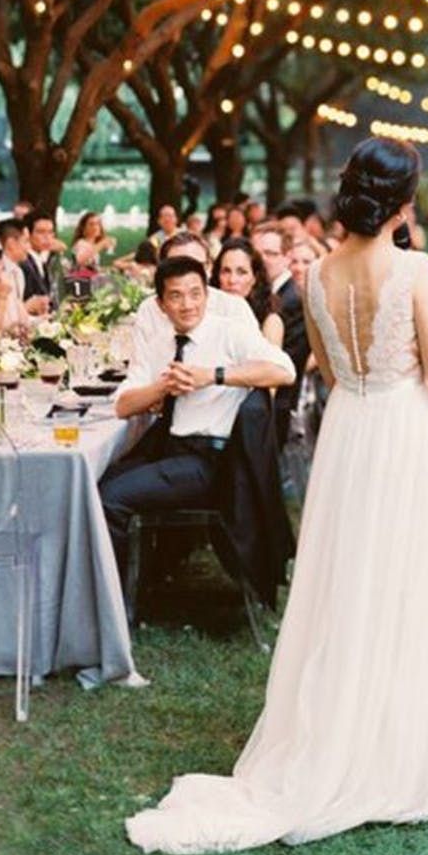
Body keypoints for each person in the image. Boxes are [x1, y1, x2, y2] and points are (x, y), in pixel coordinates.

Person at [126, 136, 428, 854]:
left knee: (347, 583)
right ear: (403, 199)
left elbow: (331, 373)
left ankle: (343, 727)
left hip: (351, 431)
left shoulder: (319, 275)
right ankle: (399, 745)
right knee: (407, 581)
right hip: (403, 432)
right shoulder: (417, 268)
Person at [100, 256, 296, 583]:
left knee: (109, 500)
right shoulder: (159, 342)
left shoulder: (230, 333)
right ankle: (135, 586)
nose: (187, 304)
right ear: (161, 304)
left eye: (195, 293)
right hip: (171, 453)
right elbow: (122, 405)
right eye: (176, 296)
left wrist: (212, 375)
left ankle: (118, 607)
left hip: (213, 463)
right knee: (93, 486)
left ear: (207, 294)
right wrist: (162, 386)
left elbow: (284, 370)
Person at [129, 231, 258, 363]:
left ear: (209, 268)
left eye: (196, 266)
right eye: (177, 267)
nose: (187, 275)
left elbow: (263, 367)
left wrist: (215, 377)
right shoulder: (150, 309)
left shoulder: (233, 307)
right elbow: (138, 370)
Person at [251, 221, 307, 448]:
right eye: (257, 253)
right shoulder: (269, 294)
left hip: (276, 406)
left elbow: (285, 360)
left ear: (288, 257)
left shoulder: (291, 300)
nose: (263, 259)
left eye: (271, 253)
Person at [209, 236, 284, 347]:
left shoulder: (270, 321)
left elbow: (270, 364)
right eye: (226, 271)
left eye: (241, 272)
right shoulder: (207, 312)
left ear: (254, 278)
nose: (232, 280)